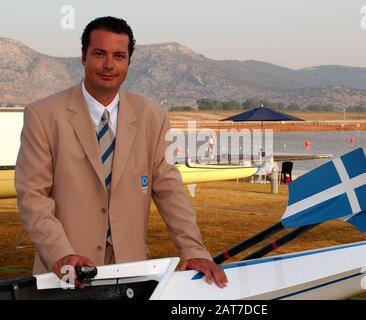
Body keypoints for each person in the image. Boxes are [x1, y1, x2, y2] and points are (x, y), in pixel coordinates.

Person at [15, 16, 227, 289]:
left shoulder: (153, 117)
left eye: (119, 56)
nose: (109, 65)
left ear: (128, 61)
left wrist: (194, 250)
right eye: (99, 54)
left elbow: (170, 190)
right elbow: (33, 196)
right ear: (83, 56)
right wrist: (61, 254)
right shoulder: (43, 115)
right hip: (65, 275)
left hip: (131, 272)